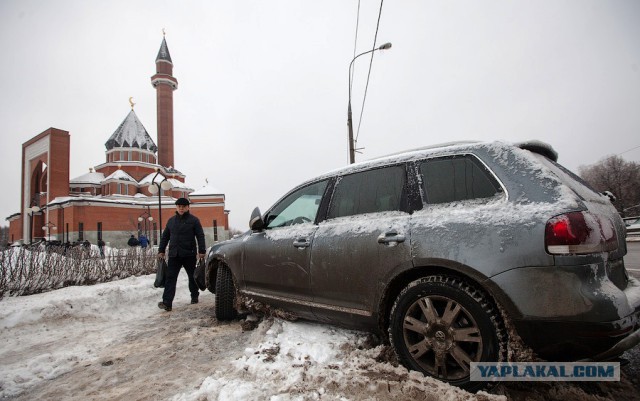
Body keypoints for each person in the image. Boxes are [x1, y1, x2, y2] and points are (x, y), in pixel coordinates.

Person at [157, 198, 206, 312]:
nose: (181, 208)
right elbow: (165, 237)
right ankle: (167, 303)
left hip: (189, 254)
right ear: (176, 207)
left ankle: (194, 295)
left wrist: (202, 251)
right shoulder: (171, 221)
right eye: (179, 206)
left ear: (188, 207)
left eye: (184, 206)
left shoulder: (194, 220)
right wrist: (161, 250)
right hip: (174, 254)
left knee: (192, 276)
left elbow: (200, 235)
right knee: (170, 278)